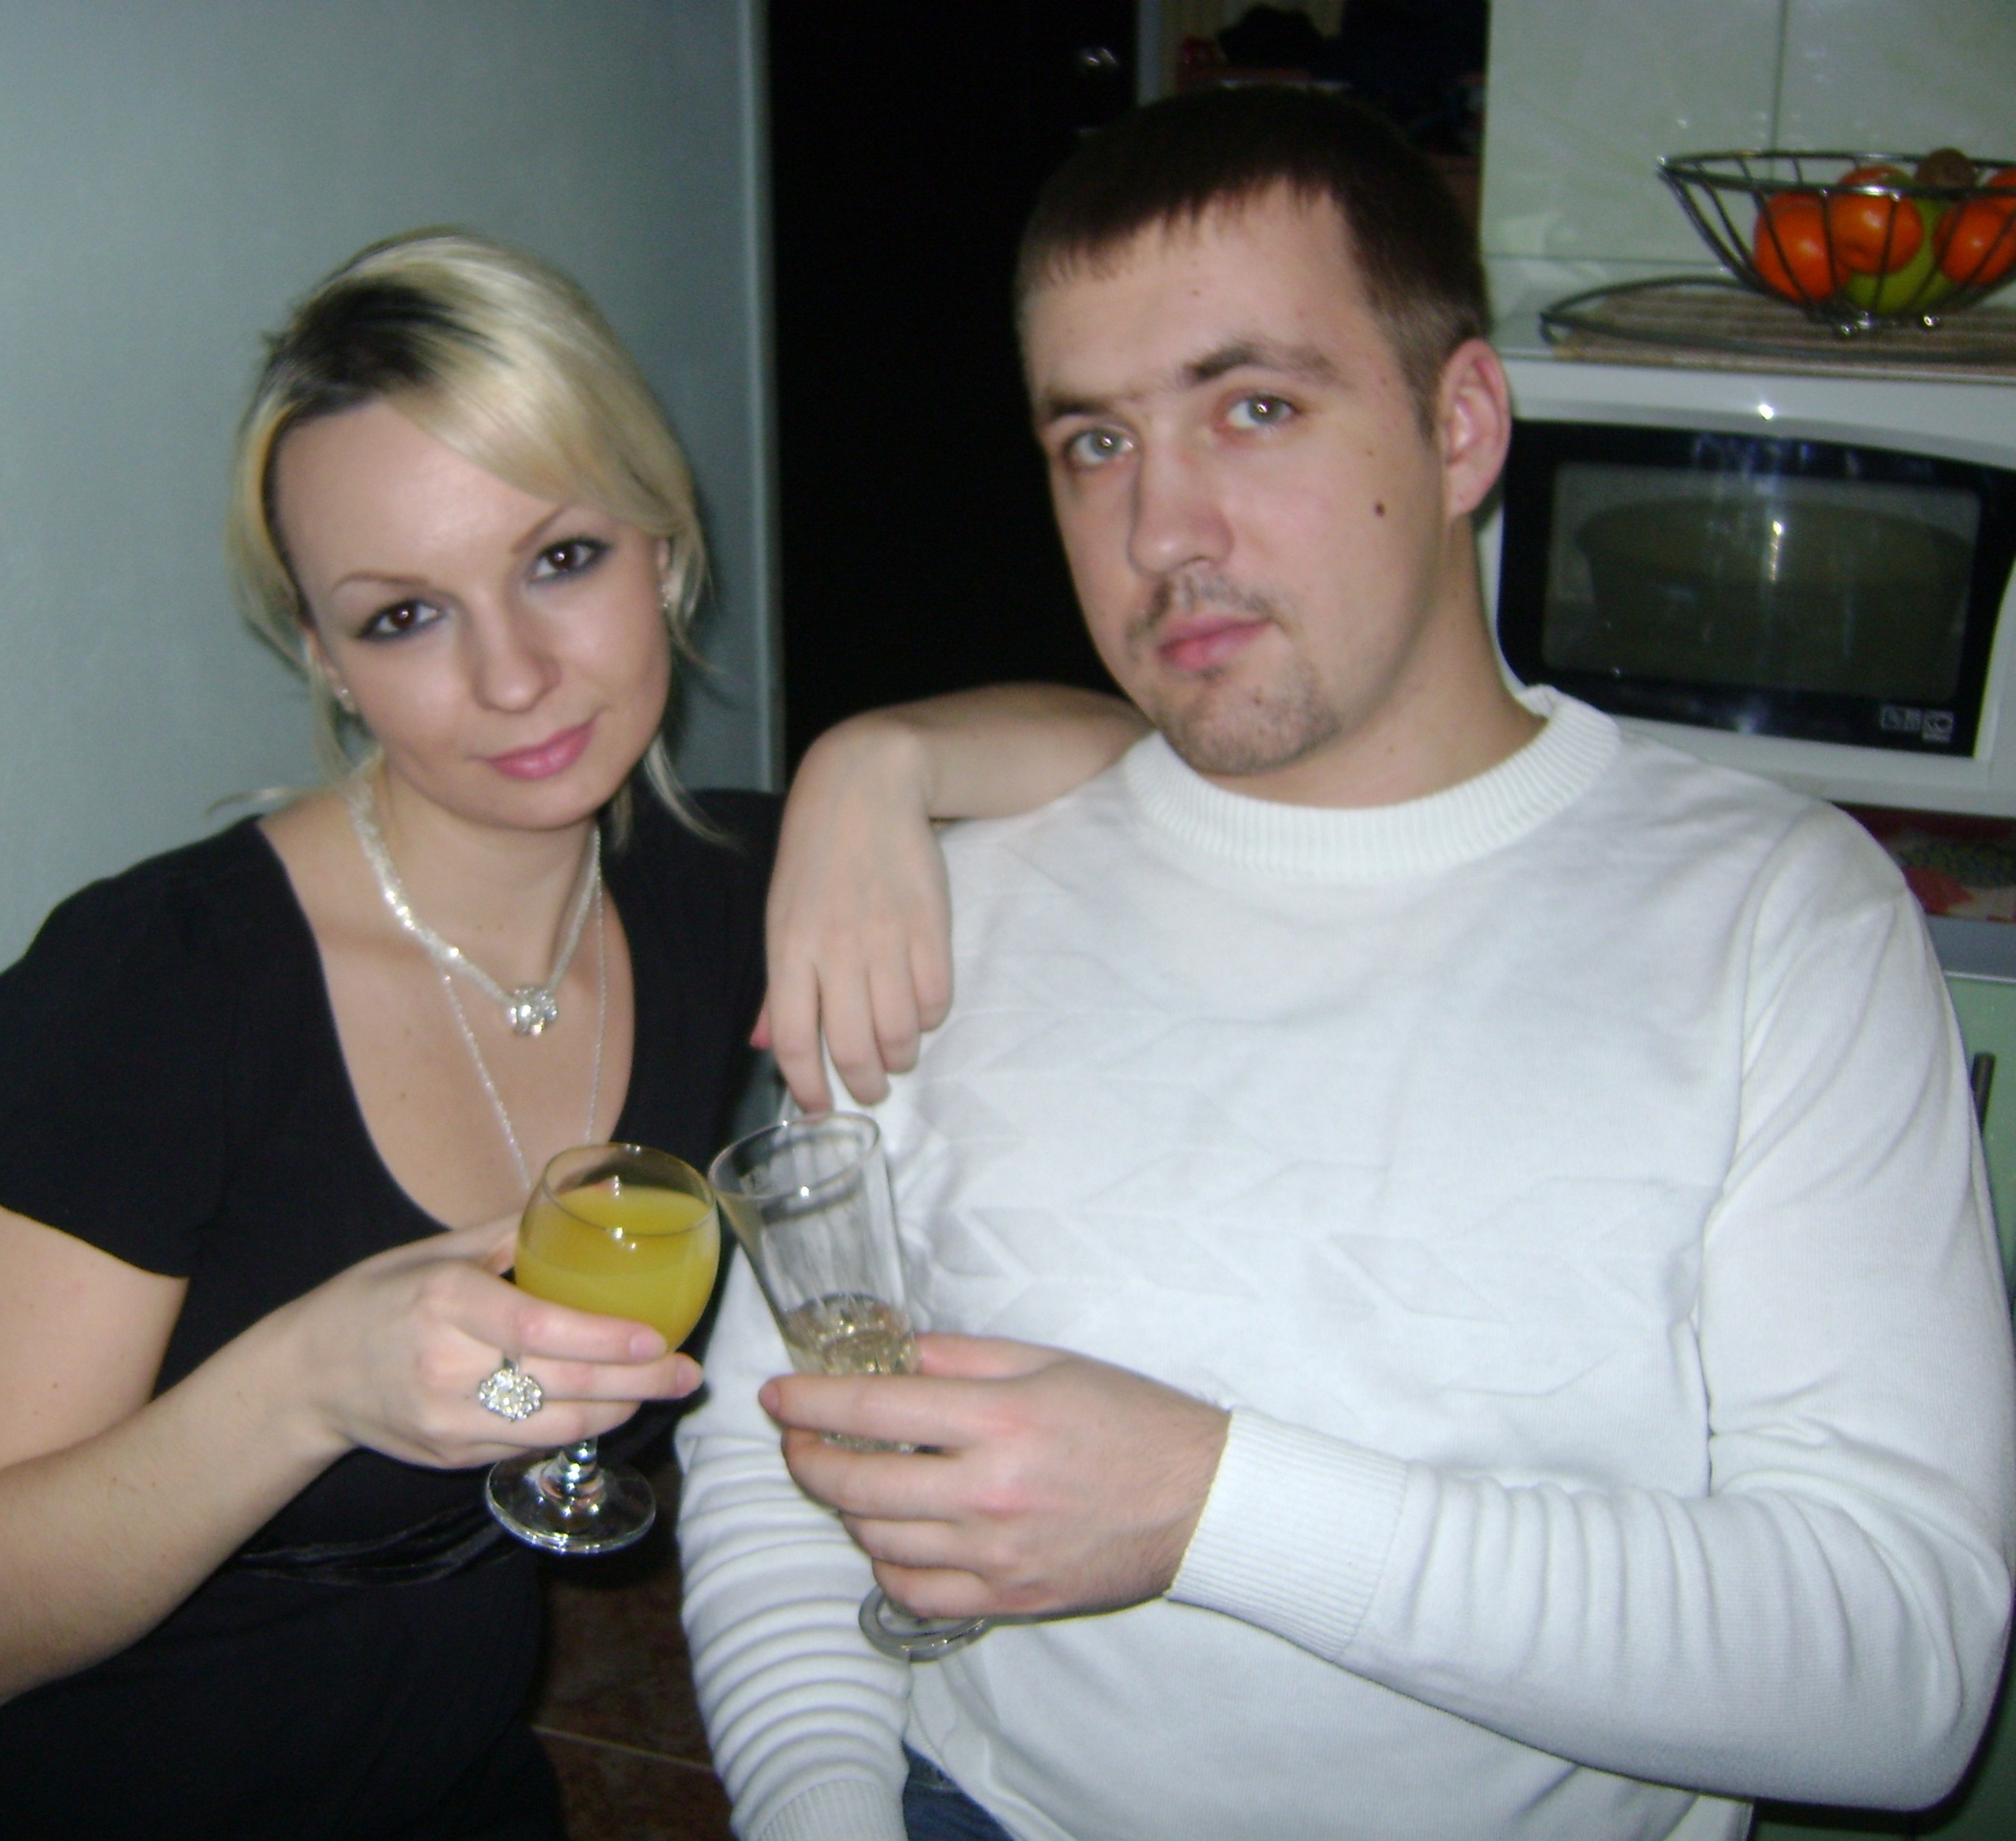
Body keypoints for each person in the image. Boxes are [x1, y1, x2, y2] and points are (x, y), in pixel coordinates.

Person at [0, 231, 1139, 1841]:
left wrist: (874, 763)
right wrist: (309, 1385)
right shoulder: (151, 986)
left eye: (562, 559)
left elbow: (1125, 758)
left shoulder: (718, 894)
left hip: (405, 1751)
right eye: (405, 615)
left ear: (667, 547)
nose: (513, 676)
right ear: (324, 659)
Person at [677, 87, 2016, 1841]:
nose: (1163, 532)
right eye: (1096, 441)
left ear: (1460, 427)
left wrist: (1208, 1505)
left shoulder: (1781, 920)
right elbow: (780, 1454)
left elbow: (1899, 1672)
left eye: (1255, 408)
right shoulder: (938, 906)